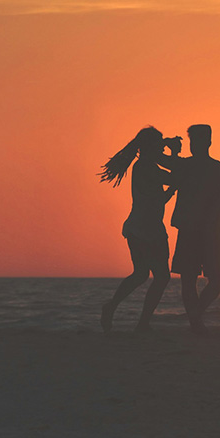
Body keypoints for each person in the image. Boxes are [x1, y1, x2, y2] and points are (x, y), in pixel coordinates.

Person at [97, 126, 179, 333]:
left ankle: (113, 307)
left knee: (142, 273)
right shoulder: (146, 167)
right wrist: (174, 153)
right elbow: (172, 179)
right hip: (147, 229)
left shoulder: (144, 165)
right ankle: (142, 323)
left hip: (138, 226)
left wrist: (167, 148)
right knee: (160, 277)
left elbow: (161, 193)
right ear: (151, 146)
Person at [159, 124, 220, 334]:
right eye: (192, 141)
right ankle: (196, 323)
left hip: (210, 230)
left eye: (198, 141)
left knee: (217, 278)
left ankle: (195, 315)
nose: (195, 145)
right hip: (193, 229)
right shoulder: (184, 165)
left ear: (208, 142)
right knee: (189, 277)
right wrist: (168, 147)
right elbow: (157, 158)